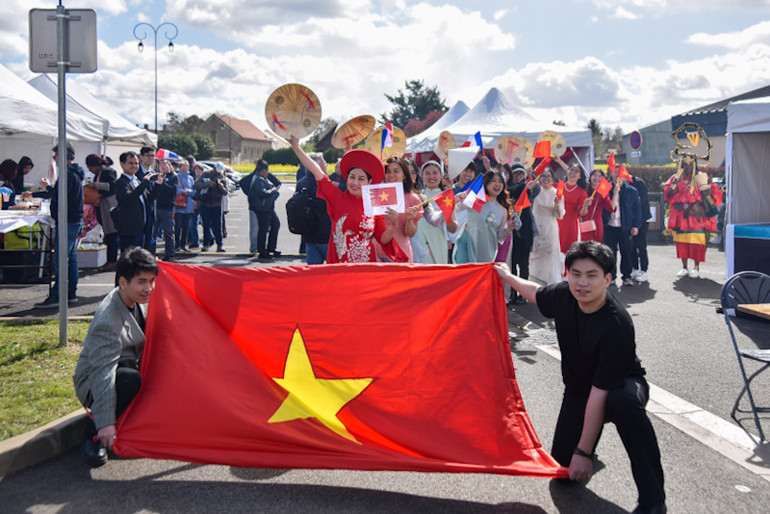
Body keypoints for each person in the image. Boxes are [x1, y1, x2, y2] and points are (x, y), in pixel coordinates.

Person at [495, 241, 666, 514]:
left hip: (621, 386)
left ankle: (653, 500)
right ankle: (583, 449)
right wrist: (506, 276)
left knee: (623, 406)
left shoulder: (617, 325)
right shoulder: (564, 295)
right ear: (567, 274)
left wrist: (583, 453)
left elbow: (600, 392)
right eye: (576, 274)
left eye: (592, 275)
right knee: (562, 472)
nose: (582, 283)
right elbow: (536, 293)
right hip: (578, 390)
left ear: (608, 279)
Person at [72, 247, 158, 468]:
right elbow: (103, 374)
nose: (148, 288)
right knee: (129, 379)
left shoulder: (136, 297)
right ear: (122, 282)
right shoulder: (107, 321)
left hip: (126, 364)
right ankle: (92, 434)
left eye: (152, 281)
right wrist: (105, 424)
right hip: (97, 381)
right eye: (141, 282)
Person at [289, 136, 395, 263]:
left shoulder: (374, 204)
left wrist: (394, 225)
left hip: (365, 269)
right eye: (352, 177)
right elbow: (317, 172)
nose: (355, 182)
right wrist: (296, 148)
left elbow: (382, 238)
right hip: (340, 269)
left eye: (361, 179)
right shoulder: (337, 198)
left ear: (369, 182)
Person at [33, 144, 85, 308]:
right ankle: (70, 293)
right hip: (74, 220)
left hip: (68, 221)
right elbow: (60, 194)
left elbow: (59, 195)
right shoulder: (73, 173)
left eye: (56, 156)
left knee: (61, 259)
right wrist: (36, 193)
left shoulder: (67, 174)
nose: (55, 159)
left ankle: (57, 295)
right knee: (70, 258)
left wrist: (46, 187)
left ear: (61, 157)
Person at [663, 157, 719, 279]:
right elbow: (668, 194)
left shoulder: (701, 176)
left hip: (696, 216)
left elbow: (710, 195)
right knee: (682, 242)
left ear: (694, 165)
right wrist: (674, 183)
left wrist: (707, 186)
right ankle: (684, 267)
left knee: (697, 242)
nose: (688, 167)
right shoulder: (675, 178)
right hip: (681, 214)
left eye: (690, 165)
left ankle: (696, 267)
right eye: (685, 165)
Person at [455, 170, 518, 263]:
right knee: (464, 276)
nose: (497, 184)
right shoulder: (475, 200)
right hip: (466, 246)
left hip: (486, 254)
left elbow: (499, 236)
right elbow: (455, 208)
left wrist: (508, 229)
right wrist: (458, 198)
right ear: (486, 182)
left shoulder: (503, 211)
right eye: (493, 180)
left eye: (500, 182)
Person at [376, 156, 422, 262]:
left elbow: (411, 234)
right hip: (376, 253)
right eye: (388, 171)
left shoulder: (412, 199)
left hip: (400, 254)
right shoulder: (375, 195)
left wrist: (410, 220)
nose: (391, 175)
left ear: (404, 175)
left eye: (396, 171)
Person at [115, 151, 160, 253]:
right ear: (122, 164)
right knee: (130, 260)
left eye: (136, 163)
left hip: (142, 228)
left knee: (141, 260)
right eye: (130, 163)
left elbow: (149, 198)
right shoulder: (121, 182)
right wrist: (144, 183)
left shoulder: (137, 180)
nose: (134, 166)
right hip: (130, 229)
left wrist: (158, 185)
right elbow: (129, 198)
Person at [415, 161, 458, 264]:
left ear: (441, 175)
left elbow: (453, 229)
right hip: (420, 242)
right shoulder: (417, 196)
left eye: (435, 173)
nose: (431, 177)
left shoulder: (446, 197)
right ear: (422, 176)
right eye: (427, 173)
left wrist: (446, 215)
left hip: (438, 243)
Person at [508, 164, 540, 303]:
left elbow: (536, 189)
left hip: (526, 232)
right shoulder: (509, 190)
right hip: (512, 232)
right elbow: (512, 190)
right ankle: (513, 293)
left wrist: (530, 179)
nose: (518, 177)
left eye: (521, 174)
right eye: (516, 174)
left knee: (524, 265)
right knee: (512, 264)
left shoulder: (529, 189)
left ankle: (524, 294)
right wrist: (525, 185)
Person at [604, 167, 641, 287]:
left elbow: (637, 210)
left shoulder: (632, 190)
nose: (616, 175)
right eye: (614, 172)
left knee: (627, 252)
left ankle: (626, 276)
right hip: (609, 225)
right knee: (610, 253)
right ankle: (611, 277)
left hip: (625, 226)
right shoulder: (606, 188)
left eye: (619, 173)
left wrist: (636, 225)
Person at [529, 168, 565, 285]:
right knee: (537, 256)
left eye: (548, 176)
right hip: (536, 226)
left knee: (551, 256)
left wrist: (557, 204)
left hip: (551, 227)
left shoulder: (557, 193)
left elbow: (560, 215)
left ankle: (552, 284)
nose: (546, 179)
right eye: (543, 176)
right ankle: (537, 285)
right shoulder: (535, 190)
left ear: (552, 178)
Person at [85, 154, 120, 271]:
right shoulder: (99, 173)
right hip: (101, 205)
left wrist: (94, 185)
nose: (89, 169)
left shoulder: (108, 172)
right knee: (108, 233)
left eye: (90, 167)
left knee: (111, 234)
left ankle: (112, 260)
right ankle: (109, 259)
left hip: (109, 205)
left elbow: (111, 186)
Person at [248, 160, 281, 261]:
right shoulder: (258, 179)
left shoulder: (262, 178)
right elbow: (262, 193)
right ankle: (262, 251)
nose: (268, 172)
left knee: (275, 224)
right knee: (263, 229)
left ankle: (271, 248)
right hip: (262, 208)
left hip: (268, 208)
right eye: (267, 170)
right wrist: (273, 190)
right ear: (263, 170)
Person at [194, 162, 228, 252]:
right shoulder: (206, 174)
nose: (218, 173)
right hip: (205, 203)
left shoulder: (222, 177)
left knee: (218, 225)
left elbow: (226, 192)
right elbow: (196, 185)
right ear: (214, 168)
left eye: (220, 171)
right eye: (217, 171)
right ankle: (206, 244)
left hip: (217, 204)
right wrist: (208, 184)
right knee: (206, 225)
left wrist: (221, 187)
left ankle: (220, 245)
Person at [559, 164, 588, 260]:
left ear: (580, 176)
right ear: (567, 171)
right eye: (571, 170)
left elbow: (582, 213)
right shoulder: (558, 186)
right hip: (556, 224)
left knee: (569, 253)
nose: (573, 173)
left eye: (576, 171)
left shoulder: (581, 192)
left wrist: (585, 206)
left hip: (570, 226)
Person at [580, 169, 617, 244]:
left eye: (600, 176)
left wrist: (615, 193)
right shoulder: (584, 189)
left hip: (596, 224)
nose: (597, 178)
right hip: (583, 222)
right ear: (590, 177)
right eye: (595, 175)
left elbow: (611, 208)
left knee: (595, 248)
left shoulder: (603, 191)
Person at [153, 159, 179, 261]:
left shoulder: (173, 177)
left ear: (169, 166)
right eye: (161, 165)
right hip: (156, 207)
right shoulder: (157, 176)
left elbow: (172, 190)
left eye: (165, 164)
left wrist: (162, 183)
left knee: (168, 232)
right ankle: (151, 252)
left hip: (167, 208)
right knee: (153, 233)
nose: (163, 167)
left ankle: (170, 254)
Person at [630, 174, 651, 283]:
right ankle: (634, 268)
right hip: (630, 221)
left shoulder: (639, 183)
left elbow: (641, 201)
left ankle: (644, 270)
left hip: (642, 219)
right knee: (631, 246)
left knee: (641, 245)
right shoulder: (621, 184)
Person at [174, 160, 195, 253]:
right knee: (178, 226)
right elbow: (174, 189)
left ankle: (184, 244)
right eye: (183, 166)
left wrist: (189, 192)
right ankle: (177, 245)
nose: (185, 168)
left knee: (186, 227)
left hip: (188, 205)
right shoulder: (176, 177)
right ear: (180, 167)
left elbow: (194, 191)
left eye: (187, 166)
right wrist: (182, 191)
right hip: (179, 206)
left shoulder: (190, 178)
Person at [188, 163, 205, 248]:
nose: (197, 171)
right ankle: (195, 241)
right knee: (193, 224)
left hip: (203, 203)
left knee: (206, 223)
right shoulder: (193, 179)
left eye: (199, 169)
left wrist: (197, 200)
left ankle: (209, 239)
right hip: (194, 204)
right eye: (196, 169)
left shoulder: (204, 180)